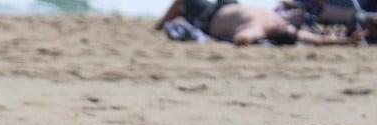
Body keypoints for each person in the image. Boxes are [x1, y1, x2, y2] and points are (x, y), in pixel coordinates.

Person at [154, 0, 368, 45]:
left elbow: (242, 38)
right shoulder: (282, 22)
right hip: (232, 4)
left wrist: (251, 38)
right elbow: (318, 39)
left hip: (211, 17)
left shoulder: (262, 29)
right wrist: (347, 40)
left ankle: (157, 27)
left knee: (184, 1)